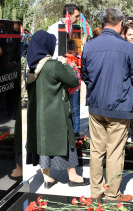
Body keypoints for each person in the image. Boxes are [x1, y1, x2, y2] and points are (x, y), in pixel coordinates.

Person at [81, 8, 133, 202]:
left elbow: (84, 75)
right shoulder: (128, 48)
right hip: (119, 105)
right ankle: (112, 194)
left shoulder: (89, 46)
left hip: (97, 105)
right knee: (115, 151)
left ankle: (96, 191)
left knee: (97, 150)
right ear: (120, 24)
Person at [25, 30, 90, 189]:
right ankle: (73, 177)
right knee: (66, 143)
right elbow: (74, 80)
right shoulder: (53, 65)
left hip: (37, 115)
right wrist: (64, 64)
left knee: (42, 144)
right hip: (56, 114)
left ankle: (47, 178)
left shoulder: (29, 67)